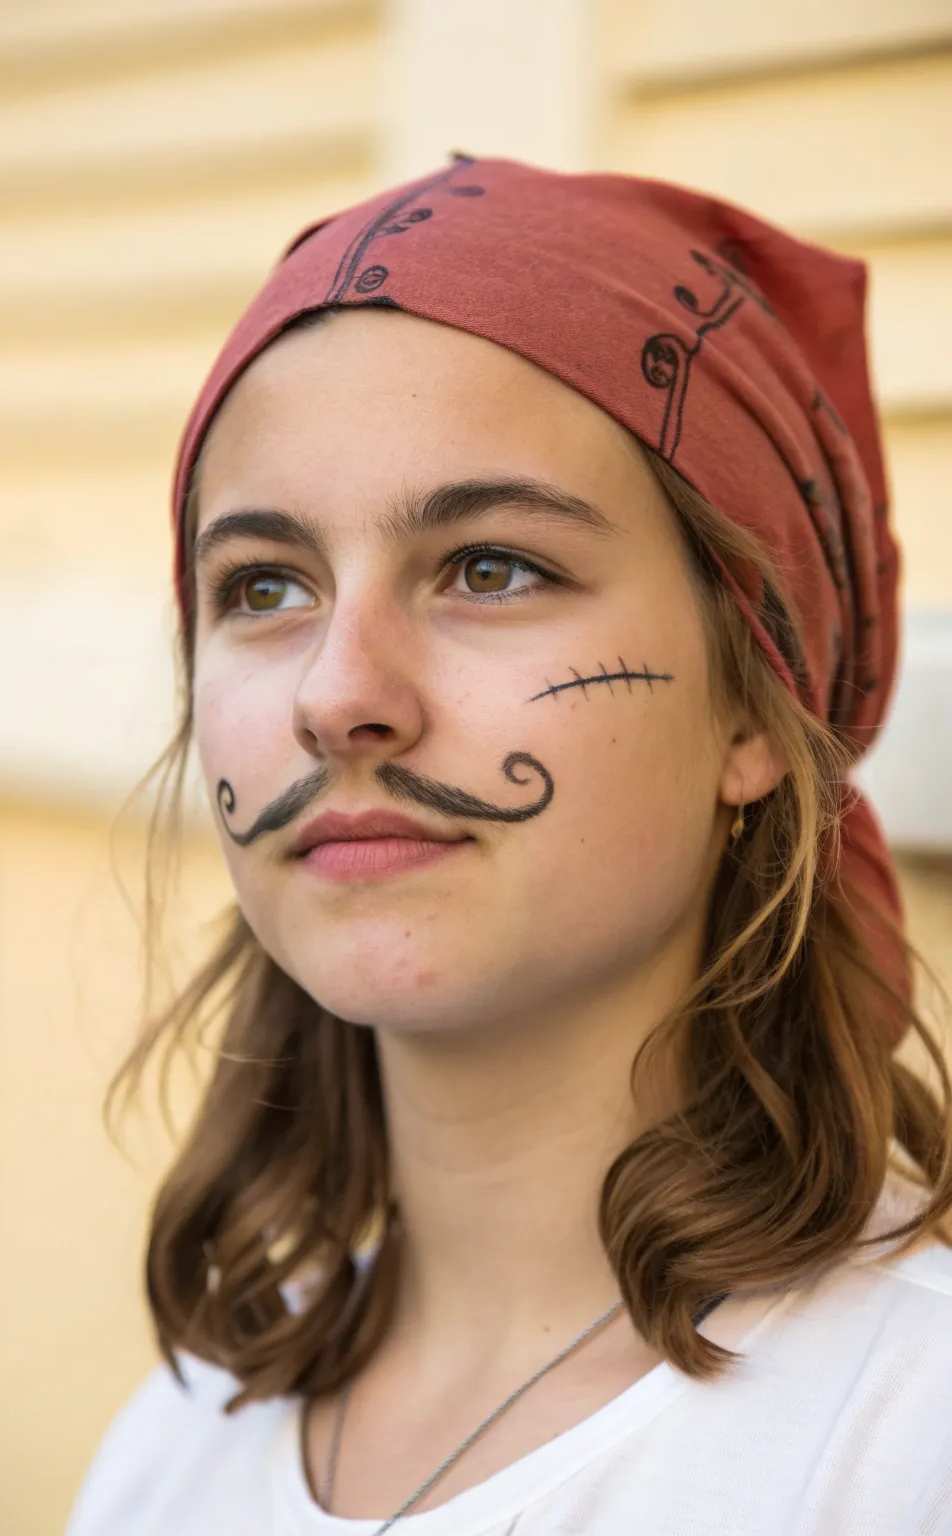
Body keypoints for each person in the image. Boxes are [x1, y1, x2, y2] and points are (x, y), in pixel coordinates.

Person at [67, 157, 952, 1535]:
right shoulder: (184, 1432)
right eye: (265, 586)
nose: (337, 693)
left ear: (754, 706)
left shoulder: (908, 1437)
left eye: (491, 567)